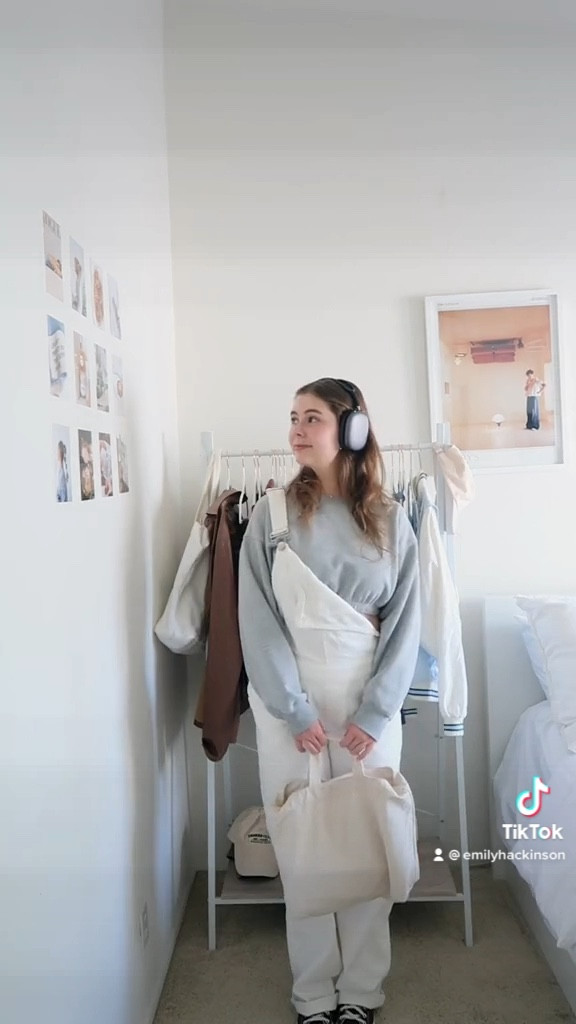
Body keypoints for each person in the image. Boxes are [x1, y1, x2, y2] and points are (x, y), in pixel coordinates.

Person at [238, 378, 420, 1024]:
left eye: (311, 417)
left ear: (352, 430)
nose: (295, 429)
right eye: (292, 416)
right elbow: (256, 621)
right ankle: (313, 993)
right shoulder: (272, 515)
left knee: (366, 841)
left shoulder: (394, 518)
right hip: (291, 702)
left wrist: (374, 714)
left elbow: (405, 625)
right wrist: (295, 711)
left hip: (366, 697)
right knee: (305, 847)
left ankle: (362, 991)